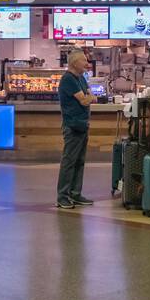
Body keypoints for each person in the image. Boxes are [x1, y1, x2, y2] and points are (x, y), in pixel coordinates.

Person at [55, 48, 95, 210]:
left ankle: (75, 193)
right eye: (84, 61)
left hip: (83, 125)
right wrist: (89, 98)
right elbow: (86, 100)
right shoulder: (68, 80)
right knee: (69, 162)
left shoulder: (81, 78)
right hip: (72, 126)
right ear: (75, 62)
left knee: (79, 161)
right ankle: (62, 196)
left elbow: (90, 96)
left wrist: (88, 97)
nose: (87, 63)